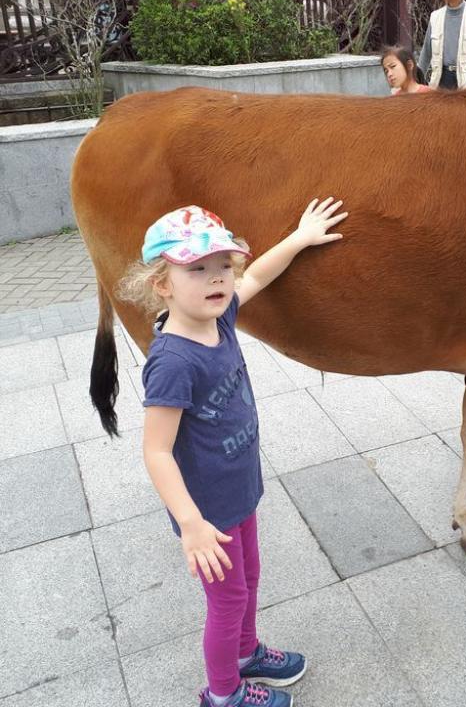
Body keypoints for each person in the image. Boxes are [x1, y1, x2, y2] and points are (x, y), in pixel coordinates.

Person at [118, 199, 348, 707]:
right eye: (197, 269)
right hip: (207, 511)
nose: (217, 277)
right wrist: (191, 524)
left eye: (223, 264)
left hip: (239, 490)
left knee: (249, 580)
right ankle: (224, 694)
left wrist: (300, 237)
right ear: (162, 284)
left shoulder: (218, 319)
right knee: (227, 601)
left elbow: (258, 275)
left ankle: (245, 654)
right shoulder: (173, 361)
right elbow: (156, 451)